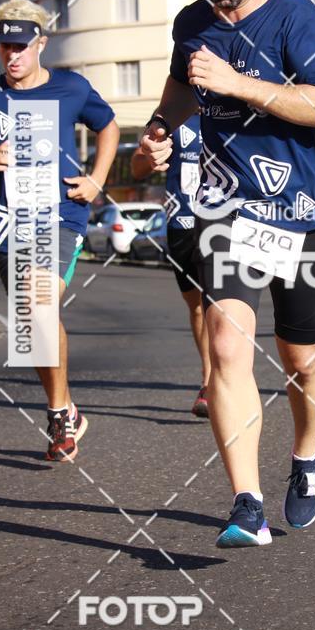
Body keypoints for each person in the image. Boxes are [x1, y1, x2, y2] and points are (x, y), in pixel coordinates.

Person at [140, 0, 315, 547]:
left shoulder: (298, 19)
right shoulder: (191, 24)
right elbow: (179, 87)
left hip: (302, 213)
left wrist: (237, 83)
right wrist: (157, 129)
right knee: (227, 345)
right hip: (230, 209)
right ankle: (247, 504)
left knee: (300, 357)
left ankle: (307, 453)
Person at [0, 0, 119, 459]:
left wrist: (98, 179)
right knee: (33, 322)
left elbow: (108, 127)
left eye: (22, 46)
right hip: (7, 224)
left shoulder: (71, 88)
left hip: (60, 215)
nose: (13, 56)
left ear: (41, 43)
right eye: (5, 46)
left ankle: (61, 415)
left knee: (37, 306)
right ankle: (63, 409)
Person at [131, 115, 211, 416]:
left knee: (226, 302)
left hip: (228, 218)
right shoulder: (173, 114)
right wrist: (151, 155)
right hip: (183, 222)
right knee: (199, 307)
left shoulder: (237, 102)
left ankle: (224, 380)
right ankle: (209, 380)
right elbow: (137, 167)